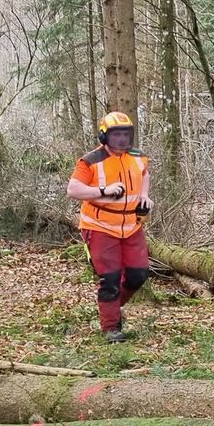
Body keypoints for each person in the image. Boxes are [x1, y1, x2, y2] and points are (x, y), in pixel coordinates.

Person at [66, 111, 152, 342]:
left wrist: (144, 195)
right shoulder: (90, 160)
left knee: (138, 274)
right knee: (110, 278)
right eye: (116, 135)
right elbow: (73, 190)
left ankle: (111, 308)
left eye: (126, 134)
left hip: (131, 225)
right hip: (100, 225)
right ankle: (110, 328)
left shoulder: (138, 156)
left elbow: (144, 174)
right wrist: (102, 191)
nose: (122, 140)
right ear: (104, 136)